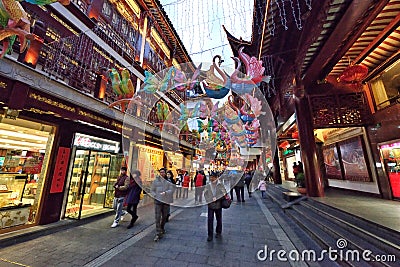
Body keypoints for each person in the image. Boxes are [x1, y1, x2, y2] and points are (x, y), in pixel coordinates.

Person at [151, 168, 174, 241]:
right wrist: (155, 195)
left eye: (163, 172)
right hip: (158, 202)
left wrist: (166, 193)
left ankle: (162, 227)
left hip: (166, 201)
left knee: (164, 216)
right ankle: (158, 233)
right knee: (157, 218)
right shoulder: (155, 181)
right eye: (160, 172)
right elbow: (152, 190)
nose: (162, 173)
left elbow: (172, 189)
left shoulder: (168, 181)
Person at [203, 171, 226, 242]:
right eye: (210, 177)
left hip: (218, 205)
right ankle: (210, 235)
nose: (211, 179)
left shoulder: (220, 185)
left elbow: (224, 194)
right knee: (210, 220)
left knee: (219, 219)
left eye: (213, 177)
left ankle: (218, 232)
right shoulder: (208, 185)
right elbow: (205, 194)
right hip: (210, 205)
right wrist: (209, 200)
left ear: (217, 178)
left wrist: (217, 198)